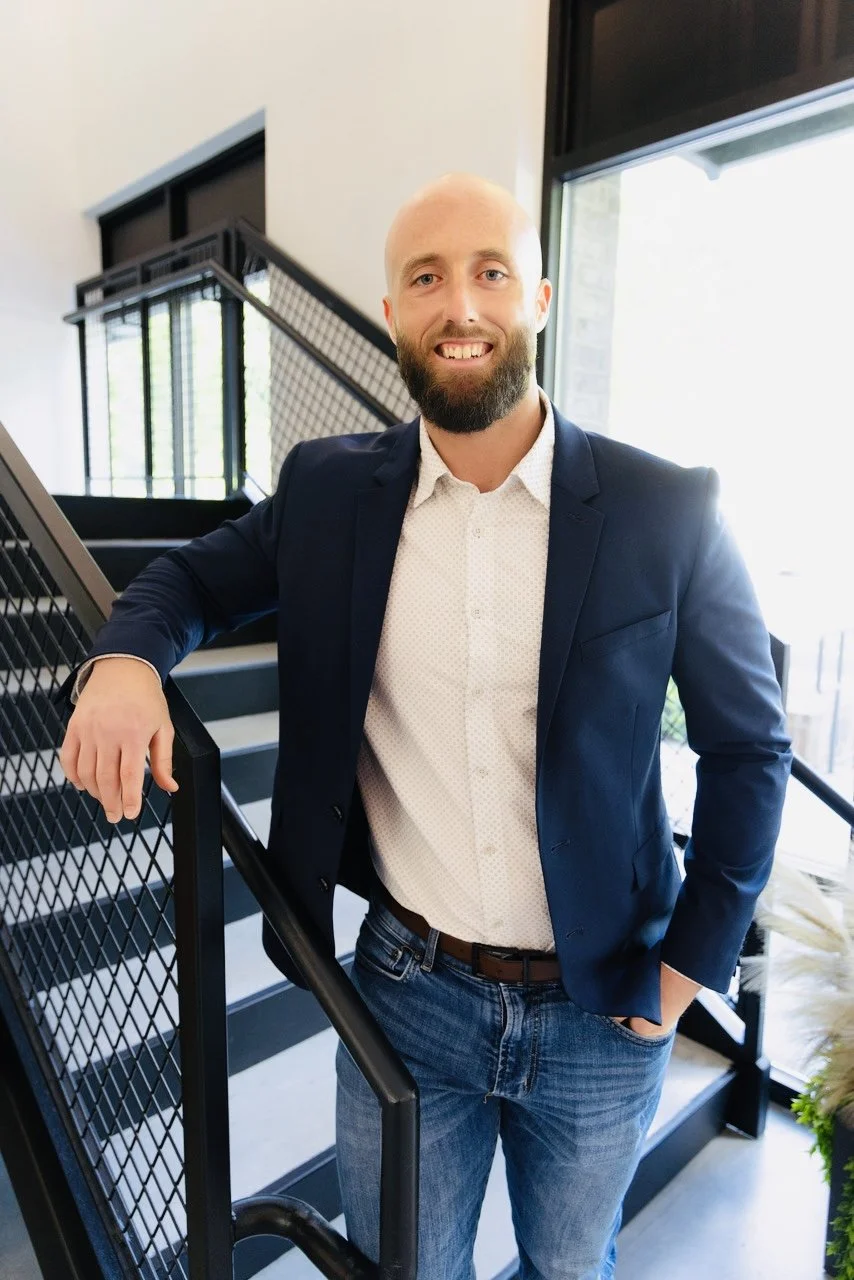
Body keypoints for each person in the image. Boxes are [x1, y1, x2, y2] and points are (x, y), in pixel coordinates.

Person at [58, 172, 792, 1280]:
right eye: (427, 277)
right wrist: (120, 663)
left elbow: (748, 749)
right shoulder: (326, 492)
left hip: (604, 1005)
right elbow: (189, 585)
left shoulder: (665, 509)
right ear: (392, 309)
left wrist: (690, 966)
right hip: (407, 995)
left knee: (567, 1267)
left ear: (537, 296)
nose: (461, 305)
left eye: (489, 271)